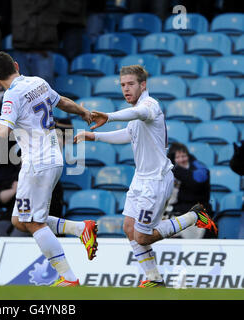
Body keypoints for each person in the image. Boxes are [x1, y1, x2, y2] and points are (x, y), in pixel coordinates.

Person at [74, 65, 218, 288]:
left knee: (142, 237)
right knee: (128, 229)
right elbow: (127, 134)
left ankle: (193, 217)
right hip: (141, 179)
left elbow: (138, 114)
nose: (126, 89)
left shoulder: (150, 106)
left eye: (130, 84)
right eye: (122, 85)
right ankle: (154, 278)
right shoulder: (136, 112)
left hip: (156, 180)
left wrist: (109, 116)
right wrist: (93, 136)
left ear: (143, 85)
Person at [0, 51, 97, 287]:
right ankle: (80, 228)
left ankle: (69, 278)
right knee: (19, 219)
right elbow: (63, 102)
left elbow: (2, 132)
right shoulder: (38, 82)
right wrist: (83, 111)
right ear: (16, 65)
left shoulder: (12, 95)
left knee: (34, 222)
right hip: (54, 159)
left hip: (37, 163)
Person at [166, 142, 213, 239]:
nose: (181, 160)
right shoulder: (168, 172)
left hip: (199, 213)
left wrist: (176, 170)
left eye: (184, 156)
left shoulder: (199, 168)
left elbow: (197, 182)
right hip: (176, 214)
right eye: (178, 157)